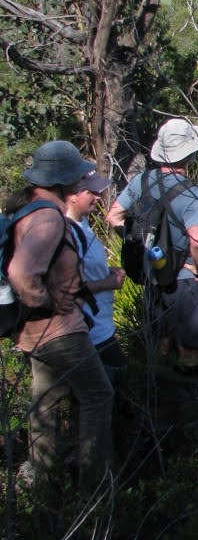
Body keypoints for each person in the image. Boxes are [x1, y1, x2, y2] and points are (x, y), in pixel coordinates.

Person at [6, 141, 113, 485]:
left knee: (46, 405)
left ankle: (45, 483)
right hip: (59, 329)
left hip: (36, 332)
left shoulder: (29, 210)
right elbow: (21, 273)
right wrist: (47, 302)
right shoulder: (48, 218)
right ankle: (92, 483)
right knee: (99, 395)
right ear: (65, 180)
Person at [106, 118, 198, 372]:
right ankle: (187, 398)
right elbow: (197, 239)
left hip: (151, 274)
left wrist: (139, 243)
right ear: (190, 154)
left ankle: (158, 391)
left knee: (159, 341)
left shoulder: (141, 182)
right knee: (190, 347)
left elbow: (113, 216)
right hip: (185, 278)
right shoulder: (191, 193)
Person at [64, 170, 128, 384]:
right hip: (89, 331)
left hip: (101, 326)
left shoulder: (83, 224)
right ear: (72, 195)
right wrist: (108, 283)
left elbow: (84, 269)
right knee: (111, 388)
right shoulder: (66, 232)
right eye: (91, 192)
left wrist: (107, 271)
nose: (98, 197)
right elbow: (68, 286)